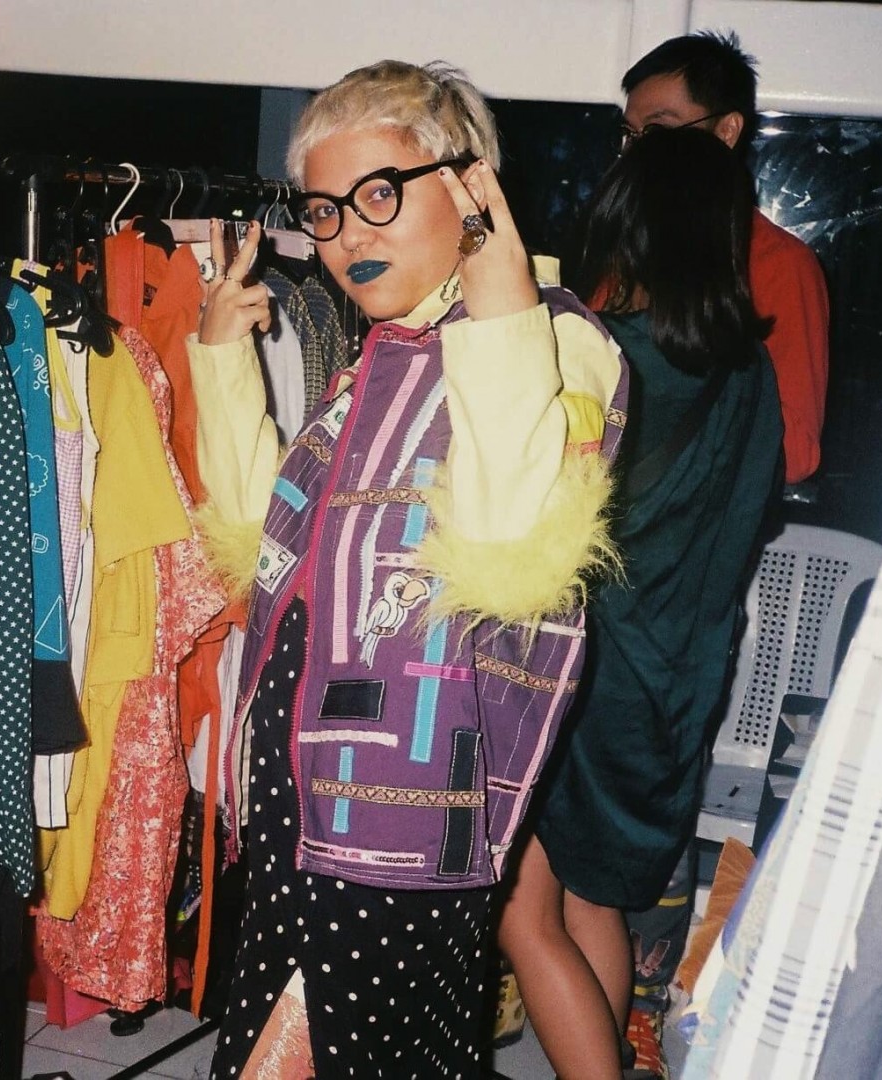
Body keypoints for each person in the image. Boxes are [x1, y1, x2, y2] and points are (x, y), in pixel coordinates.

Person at [185, 59, 627, 1078]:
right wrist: (221, 361)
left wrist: (502, 306)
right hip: (297, 777)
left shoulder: (558, 337)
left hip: (409, 799)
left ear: (469, 188)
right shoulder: (376, 358)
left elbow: (509, 550)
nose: (348, 236)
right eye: (325, 211)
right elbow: (261, 544)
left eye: (378, 194)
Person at [499, 126, 784, 1079]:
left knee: (522, 912)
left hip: (586, 676)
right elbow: (750, 516)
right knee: (593, 902)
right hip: (681, 681)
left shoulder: (595, 352)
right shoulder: (749, 372)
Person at [621, 30, 828, 488]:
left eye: (658, 131)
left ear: (727, 131)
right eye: (631, 135)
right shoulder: (619, 247)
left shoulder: (780, 264)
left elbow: (795, 450)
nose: (639, 153)